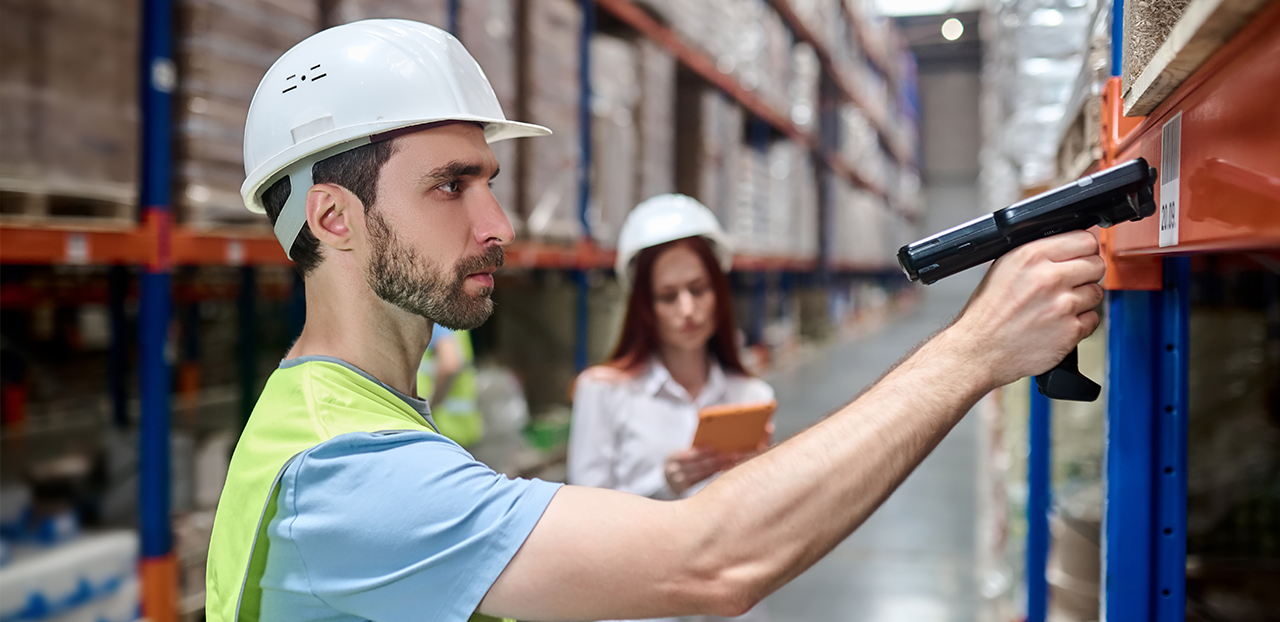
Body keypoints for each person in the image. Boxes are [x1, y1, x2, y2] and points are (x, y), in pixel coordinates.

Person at [206, 19, 1108, 622]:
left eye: (490, 182)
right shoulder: (341, 472)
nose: (501, 226)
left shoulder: (358, 415)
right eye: (450, 186)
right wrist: (976, 347)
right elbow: (708, 561)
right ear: (334, 219)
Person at [569, 194, 772, 622]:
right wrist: (662, 486)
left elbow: (765, 535)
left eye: (699, 290)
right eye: (668, 296)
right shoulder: (603, 392)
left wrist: (763, 477)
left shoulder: (751, 396)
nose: (688, 310)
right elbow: (582, 533)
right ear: (644, 306)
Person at [419, 326, 484, 447]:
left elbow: (450, 364)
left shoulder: (434, 318)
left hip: (439, 427)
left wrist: (426, 409)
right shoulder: (457, 318)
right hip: (460, 427)